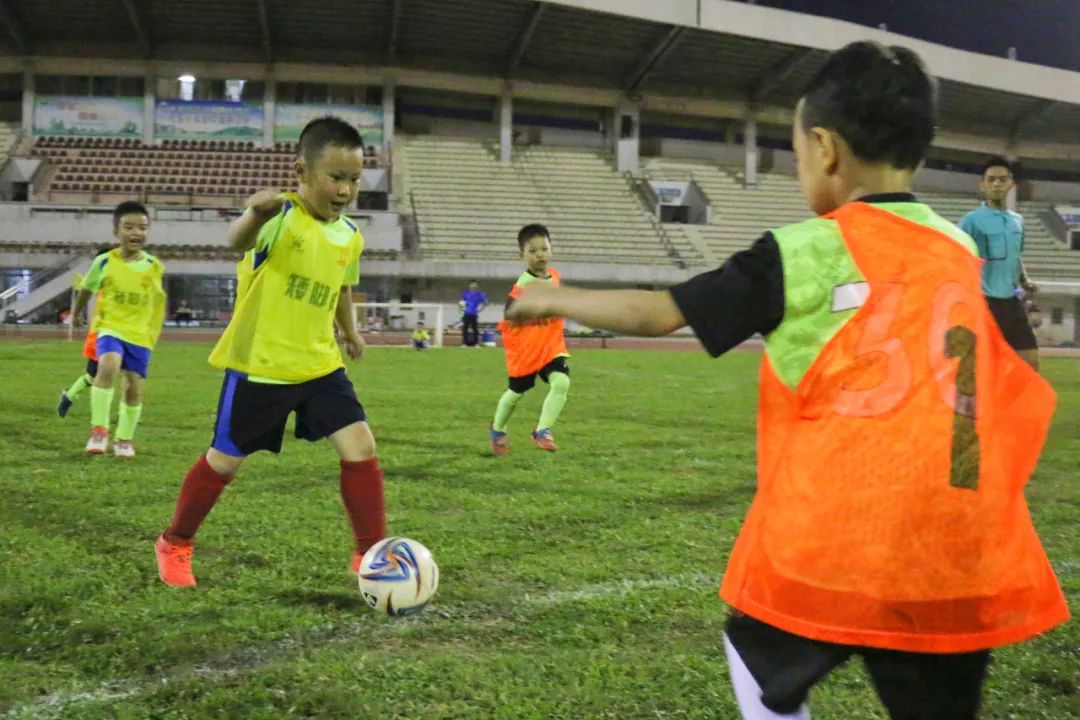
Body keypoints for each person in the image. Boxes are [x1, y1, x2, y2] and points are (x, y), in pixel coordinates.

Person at [507, 42, 1067, 720]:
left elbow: (656, 313)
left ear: (825, 150)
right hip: (954, 553)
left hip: (836, 547)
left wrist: (551, 300)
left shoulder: (801, 251)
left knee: (754, 647)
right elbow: (973, 387)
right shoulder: (958, 249)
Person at [153, 116, 386, 588]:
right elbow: (236, 241)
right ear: (301, 171)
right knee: (224, 460)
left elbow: (341, 288)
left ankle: (370, 554)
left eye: (354, 180)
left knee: (361, 447)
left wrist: (351, 332)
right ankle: (175, 542)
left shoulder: (350, 236)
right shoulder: (280, 218)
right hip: (262, 366)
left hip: (320, 364)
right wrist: (256, 213)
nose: (345, 190)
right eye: (335, 177)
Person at [70, 204, 166, 457]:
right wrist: (77, 312)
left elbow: (157, 300)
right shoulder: (103, 262)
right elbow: (87, 289)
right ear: (116, 231)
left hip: (139, 333)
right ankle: (99, 431)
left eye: (143, 227)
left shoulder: (153, 265)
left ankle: (124, 438)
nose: (137, 232)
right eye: (129, 227)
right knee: (108, 366)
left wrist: (153, 328)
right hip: (111, 327)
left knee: (133, 385)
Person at [489, 224, 570, 454]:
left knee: (562, 382)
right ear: (522, 255)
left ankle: (542, 430)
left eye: (544, 249)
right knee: (516, 392)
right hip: (525, 349)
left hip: (551, 346)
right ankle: (498, 429)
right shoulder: (523, 285)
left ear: (551, 250)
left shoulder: (554, 276)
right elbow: (510, 313)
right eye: (533, 251)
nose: (540, 255)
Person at [959, 157, 1039, 370]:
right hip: (984, 302)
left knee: (1030, 363)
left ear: (1011, 184)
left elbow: (1016, 255)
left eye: (1002, 179)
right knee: (983, 368)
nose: (997, 184)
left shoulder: (1018, 221)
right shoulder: (970, 221)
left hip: (1012, 302)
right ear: (982, 185)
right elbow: (958, 258)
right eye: (991, 179)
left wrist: (1025, 280)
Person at [460, 280, 487, 347]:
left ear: (477, 285)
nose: (473, 286)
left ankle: (476, 343)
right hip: (466, 313)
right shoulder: (465, 293)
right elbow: (461, 302)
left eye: (474, 284)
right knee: (465, 328)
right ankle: (464, 343)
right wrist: (462, 309)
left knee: (475, 329)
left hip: (474, 314)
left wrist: (480, 309)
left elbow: (486, 302)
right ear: (469, 285)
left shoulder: (479, 294)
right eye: (472, 284)